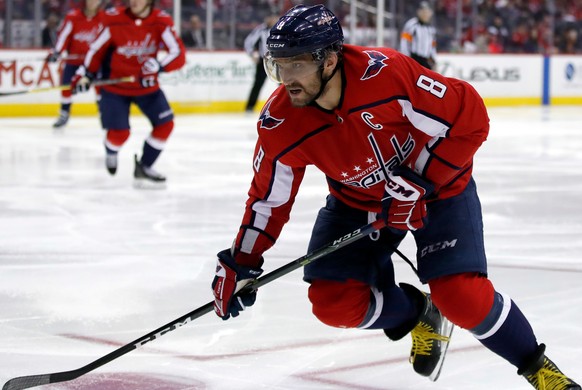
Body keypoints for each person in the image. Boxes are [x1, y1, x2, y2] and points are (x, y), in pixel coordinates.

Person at [210, 4, 580, 388]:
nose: (286, 79)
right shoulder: (281, 123)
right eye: (279, 66)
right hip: (358, 203)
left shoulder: (386, 75)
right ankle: (418, 313)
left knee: (461, 298)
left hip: (438, 192)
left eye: (297, 65)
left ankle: (539, 370)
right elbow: (268, 199)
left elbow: (469, 118)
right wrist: (242, 260)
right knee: (332, 302)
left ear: (330, 60)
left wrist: (423, 180)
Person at [71, 0, 186, 185]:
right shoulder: (114, 19)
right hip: (116, 88)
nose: (134, 1)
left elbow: (178, 53)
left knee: (165, 125)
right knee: (120, 134)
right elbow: (96, 50)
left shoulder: (160, 21)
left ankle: (145, 166)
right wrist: (85, 74)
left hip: (146, 87)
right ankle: (111, 149)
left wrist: (159, 66)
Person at [46, 0, 104, 129]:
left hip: (94, 63)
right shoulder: (73, 17)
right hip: (74, 62)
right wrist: (57, 52)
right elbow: (63, 37)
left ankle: (104, 113)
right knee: (66, 86)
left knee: (100, 87)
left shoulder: (104, 18)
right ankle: (64, 113)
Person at [243, 13, 279, 113]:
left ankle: (286, 106)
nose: (272, 19)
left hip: (278, 61)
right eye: (270, 17)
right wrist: (252, 55)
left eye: (274, 17)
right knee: (257, 84)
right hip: (263, 61)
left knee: (283, 85)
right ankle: (249, 107)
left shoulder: (280, 29)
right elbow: (248, 42)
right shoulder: (260, 29)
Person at [399, 1, 437, 70]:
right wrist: (405, 59)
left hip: (425, 60)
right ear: (418, 12)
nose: (425, 14)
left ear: (431, 13)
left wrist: (434, 60)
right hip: (413, 59)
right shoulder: (411, 24)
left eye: (427, 11)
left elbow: (432, 46)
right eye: (423, 11)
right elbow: (404, 42)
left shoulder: (431, 29)